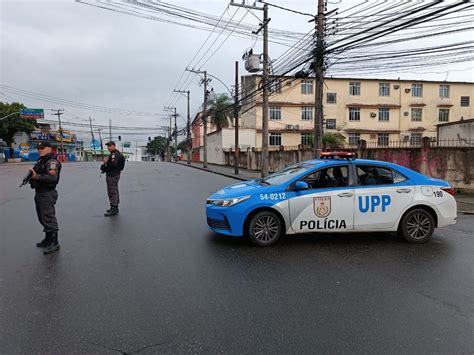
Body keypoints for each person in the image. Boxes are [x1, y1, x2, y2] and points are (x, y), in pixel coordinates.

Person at [29, 141, 62, 255]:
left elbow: (52, 178)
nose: (39, 150)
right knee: (42, 217)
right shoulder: (42, 161)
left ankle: (54, 242)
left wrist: (36, 176)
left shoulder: (52, 162)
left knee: (48, 217)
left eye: (42, 148)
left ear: (49, 148)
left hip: (47, 193)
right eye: (38, 148)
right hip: (40, 192)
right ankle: (48, 239)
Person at [100, 141, 124, 216]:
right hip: (115, 174)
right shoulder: (115, 154)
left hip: (112, 175)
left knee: (112, 191)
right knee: (114, 190)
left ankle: (114, 208)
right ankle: (114, 207)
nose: (108, 148)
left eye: (110, 146)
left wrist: (105, 162)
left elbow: (113, 165)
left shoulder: (114, 154)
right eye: (108, 146)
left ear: (114, 146)